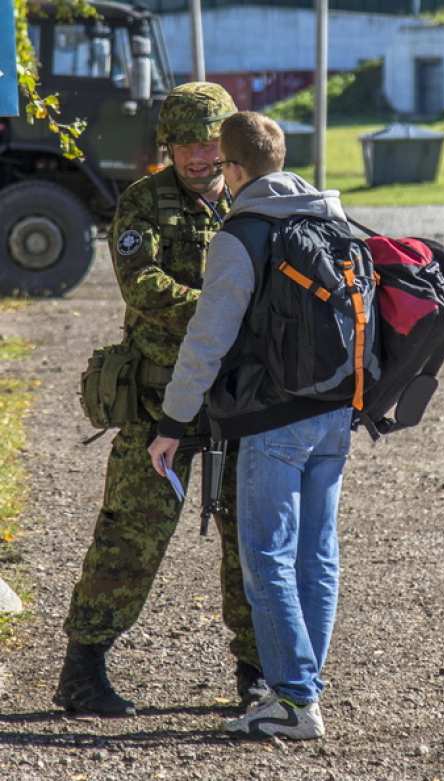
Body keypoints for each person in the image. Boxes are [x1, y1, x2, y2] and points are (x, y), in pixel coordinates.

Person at [54, 84, 266, 718]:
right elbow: (142, 285)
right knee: (129, 539)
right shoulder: (143, 203)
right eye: (188, 145)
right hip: (157, 403)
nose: (201, 157)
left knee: (249, 541)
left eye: (211, 143)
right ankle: (82, 672)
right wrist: (219, 314)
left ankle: (255, 673)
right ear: (167, 147)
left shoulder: (250, 199)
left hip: (232, 401)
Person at [148, 111, 354, 740]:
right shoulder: (330, 216)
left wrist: (173, 421)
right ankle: (304, 688)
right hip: (338, 409)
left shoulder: (241, 233)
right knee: (317, 553)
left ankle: (293, 700)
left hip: (276, 417)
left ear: (233, 170)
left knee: (266, 554)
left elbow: (208, 338)